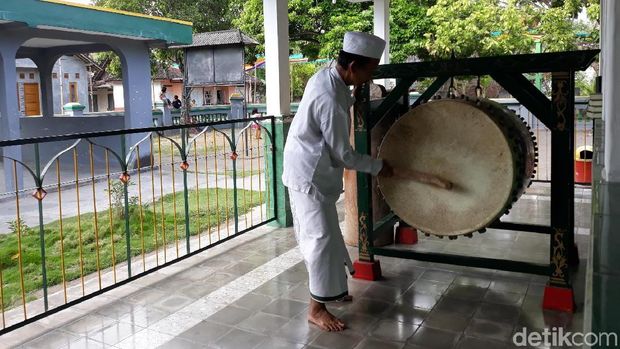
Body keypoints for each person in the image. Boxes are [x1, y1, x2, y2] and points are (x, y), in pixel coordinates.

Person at [282, 32, 394, 333]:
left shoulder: (330, 76)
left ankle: (332, 290)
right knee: (319, 241)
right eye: (370, 70)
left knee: (329, 234)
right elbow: (343, 153)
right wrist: (378, 166)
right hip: (308, 173)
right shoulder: (329, 95)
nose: (371, 76)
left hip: (315, 168)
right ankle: (315, 309)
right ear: (354, 64)